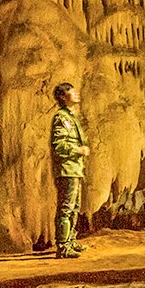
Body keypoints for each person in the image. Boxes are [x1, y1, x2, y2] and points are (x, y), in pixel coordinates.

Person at [49, 81, 89, 258]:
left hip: (75, 168)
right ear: (63, 97)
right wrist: (77, 150)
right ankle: (63, 246)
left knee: (74, 207)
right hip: (67, 169)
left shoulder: (71, 117)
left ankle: (70, 240)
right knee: (66, 207)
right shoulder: (61, 118)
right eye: (73, 92)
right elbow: (59, 145)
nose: (77, 94)